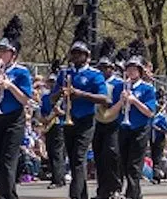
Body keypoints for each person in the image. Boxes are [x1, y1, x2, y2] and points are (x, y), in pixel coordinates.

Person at [51, 18, 109, 199]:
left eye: (79, 54)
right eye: (73, 54)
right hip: (68, 119)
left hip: (86, 120)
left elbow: (103, 98)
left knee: (78, 158)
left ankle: (74, 195)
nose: (75, 57)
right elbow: (51, 97)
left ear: (87, 56)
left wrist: (81, 94)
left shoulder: (94, 75)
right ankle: (82, 195)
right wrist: (60, 94)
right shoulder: (64, 73)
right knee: (73, 158)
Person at [0, 16, 34, 199]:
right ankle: (7, 194)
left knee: (8, 160)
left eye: (4, 52)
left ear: (13, 54)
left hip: (14, 119)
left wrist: (9, 85)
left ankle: (5, 196)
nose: (0, 55)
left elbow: (24, 100)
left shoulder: (21, 72)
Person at [106, 42, 156, 199]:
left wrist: (134, 101)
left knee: (134, 165)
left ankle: (132, 194)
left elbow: (150, 112)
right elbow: (111, 111)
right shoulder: (121, 87)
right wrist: (121, 101)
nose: (131, 72)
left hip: (140, 129)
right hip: (123, 128)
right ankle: (130, 192)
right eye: (128, 69)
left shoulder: (147, 89)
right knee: (123, 162)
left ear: (140, 71)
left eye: (134, 69)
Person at [92, 38, 123, 199]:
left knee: (111, 155)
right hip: (98, 122)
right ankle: (102, 189)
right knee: (99, 156)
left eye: (106, 67)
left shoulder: (119, 83)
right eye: (100, 67)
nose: (102, 70)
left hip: (114, 123)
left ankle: (115, 188)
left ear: (112, 68)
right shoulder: (96, 82)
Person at [37, 71, 66, 190]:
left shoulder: (63, 97)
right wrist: (44, 120)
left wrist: (60, 113)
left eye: (54, 82)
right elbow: (41, 112)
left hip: (59, 124)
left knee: (57, 152)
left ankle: (57, 179)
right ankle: (60, 177)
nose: (52, 84)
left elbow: (68, 112)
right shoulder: (45, 97)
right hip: (49, 125)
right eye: (50, 82)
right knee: (51, 151)